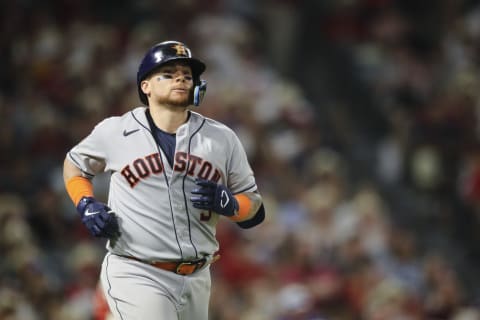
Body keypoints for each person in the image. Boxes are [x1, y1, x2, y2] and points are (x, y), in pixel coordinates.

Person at [63, 40, 265, 319]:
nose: (181, 78)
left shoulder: (221, 138)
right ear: (145, 86)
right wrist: (85, 202)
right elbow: (74, 165)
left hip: (197, 278)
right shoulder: (115, 131)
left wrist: (231, 204)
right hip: (137, 270)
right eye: (168, 73)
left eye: (186, 74)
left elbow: (254, 209)